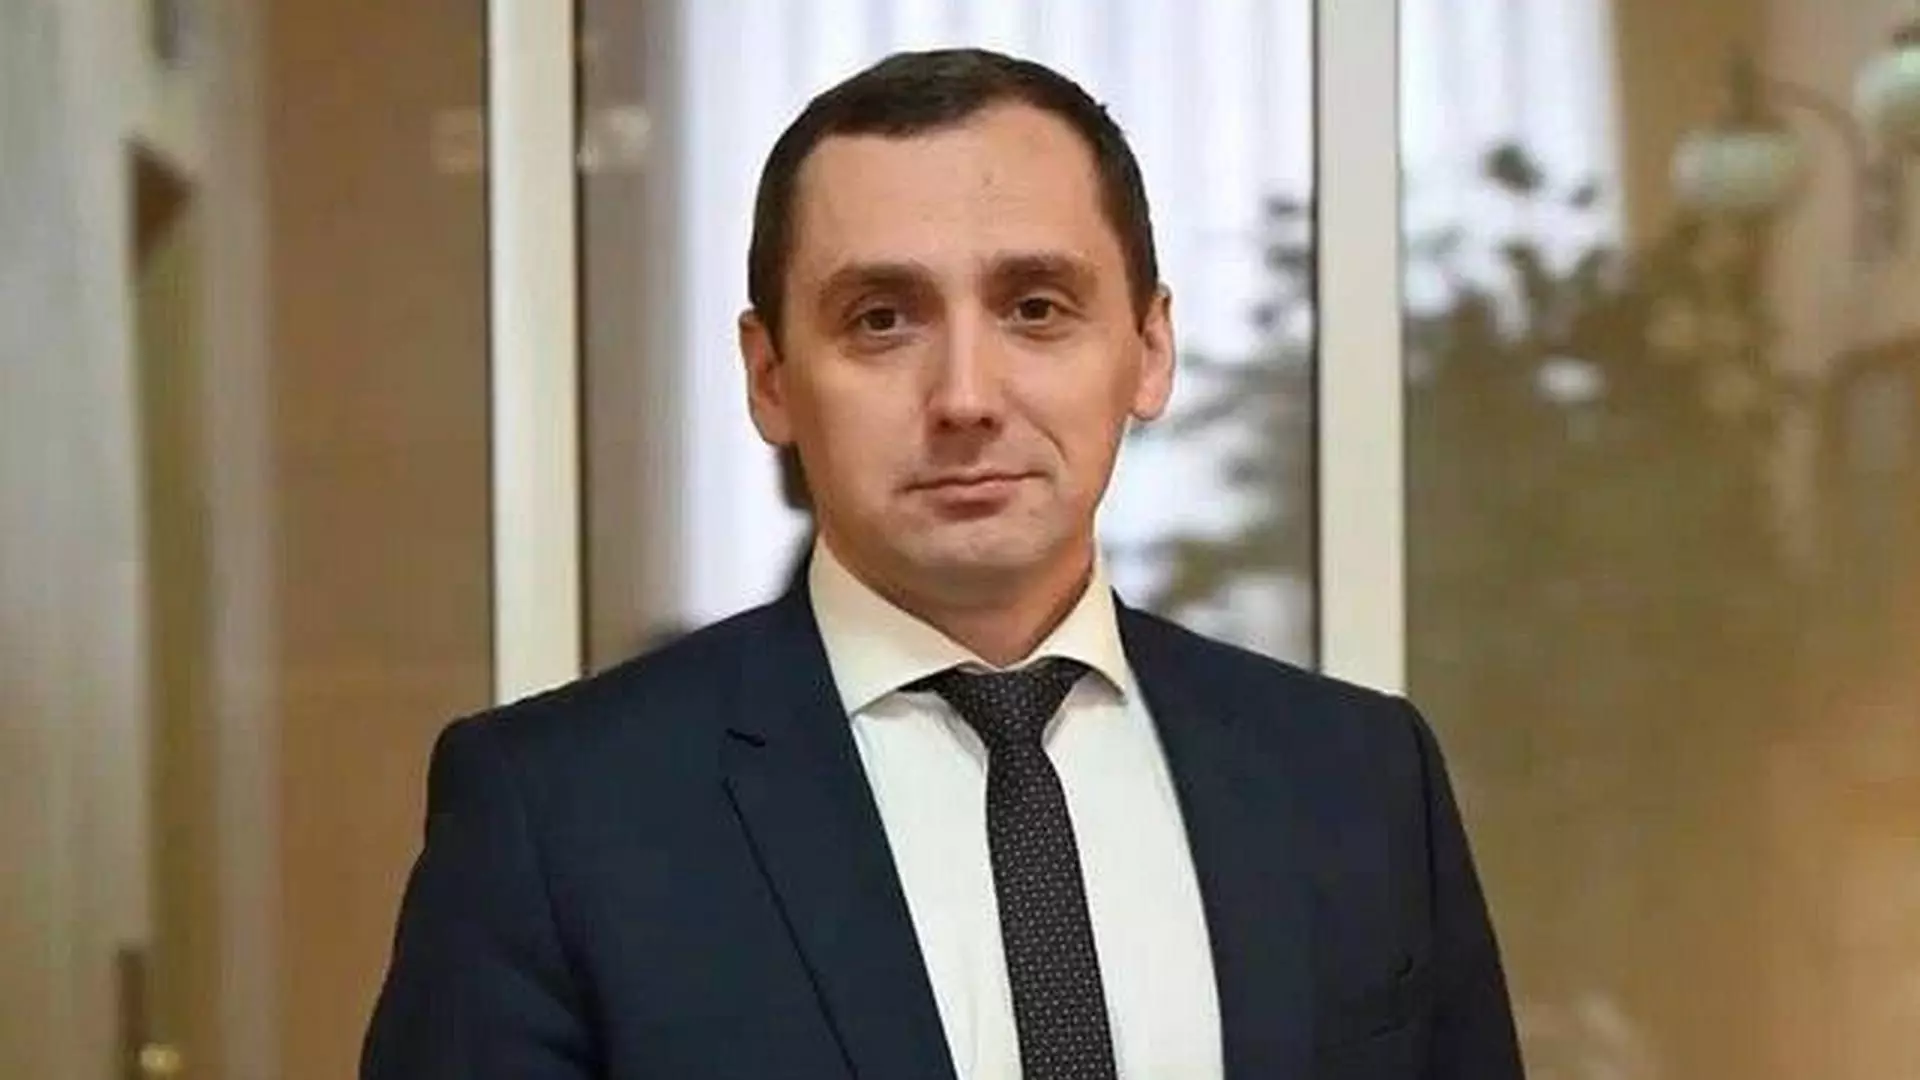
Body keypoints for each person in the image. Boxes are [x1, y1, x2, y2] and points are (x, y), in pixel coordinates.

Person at [361, 47, 1524, 1080]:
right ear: (770, 377)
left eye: (1036, 307)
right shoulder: (557, 816)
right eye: (881, 319)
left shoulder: (1359, 780)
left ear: (1149, 349)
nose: (966, 397)